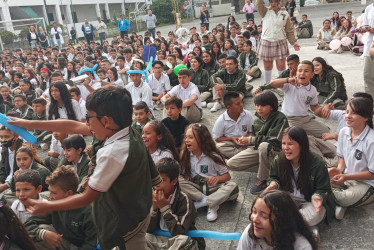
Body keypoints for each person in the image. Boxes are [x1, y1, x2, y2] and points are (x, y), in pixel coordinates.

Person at [21, 86, 162, 249]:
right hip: (140, 207)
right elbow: (72, 126)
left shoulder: (112, 153)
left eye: (89, 116)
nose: (86, 122)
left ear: (106, 120)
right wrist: (29, 123)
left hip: (126, 222)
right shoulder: (127, 129)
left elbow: (86, 198)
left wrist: (47, 205)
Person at [265, 127, 336, 227]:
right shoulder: (279, 159)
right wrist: (273, 184)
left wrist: (318, 197)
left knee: (312, 216)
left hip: (309, 201)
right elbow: (273, 177)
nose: (286, 148)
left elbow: (324, 188)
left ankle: (291, 226)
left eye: (290, 144)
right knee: (265, 209)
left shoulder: (317, 162)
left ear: (302, 145)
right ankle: (302, 228)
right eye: (283, 143)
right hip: (288, 198)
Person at [226, 91, 289, 194]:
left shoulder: (280, 118)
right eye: (257, 105)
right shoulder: (257, 121)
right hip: (260, 151)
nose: (259, 108)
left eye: (263, 105)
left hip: (277, 152)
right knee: (231, 164)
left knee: (264, 146)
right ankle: (274, 171)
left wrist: (251, 139)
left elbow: (275, 140)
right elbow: (254, 140)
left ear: (272, 107)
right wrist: (245, 141)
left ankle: (264, 179)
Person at [25, 165, 97, 250]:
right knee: (42, 231)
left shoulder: (88, 211)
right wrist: (43, 234)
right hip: (62, 243)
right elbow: (27, 225)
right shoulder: (54, 205)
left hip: (79, 247)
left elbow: (91, 243)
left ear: (69, 193)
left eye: (54, 193)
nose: (50, 196)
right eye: (49, 191)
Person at [179, 123, 239, 222]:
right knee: (176, 179)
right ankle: (211, 201)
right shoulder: (185, 155)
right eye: (186, 137)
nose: (187, 140)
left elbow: (227, 176)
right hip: (196, 189)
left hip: (212, 188)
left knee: (232, 186)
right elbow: (182, 174)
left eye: (191, 137)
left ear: (201, 139)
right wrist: (184, 178)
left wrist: (217, 179)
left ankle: (206, 203)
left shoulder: (213, 156)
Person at [329, 97, 374, 220]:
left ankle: (341, 202)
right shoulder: (344, 132)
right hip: (347, 177)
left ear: (366, 117)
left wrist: (346, 177)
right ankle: (341, 203)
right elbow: (342, 156)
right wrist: (338, 170)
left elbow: (372, 173)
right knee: (318, 180)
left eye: (354, 113)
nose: (348, 116)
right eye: (347, 112)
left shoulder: (371, 141)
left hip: (367, 184)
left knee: (341, 197)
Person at [146, 158, 205, 249]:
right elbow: (148, 230)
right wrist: (154, 209)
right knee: (137, 238)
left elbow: (180, 233)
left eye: (161, 180)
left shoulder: (184, 199)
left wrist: (164, 208)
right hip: (160, 240)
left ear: (174, 181)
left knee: (185, 241)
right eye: (155, 180)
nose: (156, 184)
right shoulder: (152, 196)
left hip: (178, 243)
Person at [237, 190, 317, 250]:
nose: (255, 219)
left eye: (264, 216)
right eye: (254, 212)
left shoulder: (301, 247)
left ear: (281, 220)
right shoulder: (250, 233)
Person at [270, 60, 330, 138]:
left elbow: (314, 107)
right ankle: (301, 136)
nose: (302, 73)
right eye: (300, 71)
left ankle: (303, 134)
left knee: (325, 131)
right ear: (296, 73)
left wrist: (325, 107)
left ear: (312, 74)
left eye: (306, 71)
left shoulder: (313, 90)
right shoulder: (290, 84)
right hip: (290, 119)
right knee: (292, 136)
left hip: (305, 119)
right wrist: (287, 80)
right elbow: (272, 83)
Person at [256, 0, 300, 84]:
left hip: (280, 41)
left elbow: (289, 30)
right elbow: (258, 4)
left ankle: (283, 85)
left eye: (275, 1)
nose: (273, 4)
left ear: (279, 2)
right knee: (268, 66)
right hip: (267, 40)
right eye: (271, 2)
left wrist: (294, 43)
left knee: (281, 66)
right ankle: (267, 85)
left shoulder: (285, 13)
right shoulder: (265, 11)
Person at [212, 91, 254, 159]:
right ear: (229, 108)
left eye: (241, 102)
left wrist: (244, 138)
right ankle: (244, 155)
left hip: (245, 142)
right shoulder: (221, 120)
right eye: (238, 104)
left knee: (258, 143)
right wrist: (231, 138)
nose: (241, 105)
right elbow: (217, 138)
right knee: (218, 147)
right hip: (231, 144)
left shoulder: (248, 115)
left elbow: (252, 132)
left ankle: (238, 156)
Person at [361, 3, 374, 97]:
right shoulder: (369, 8)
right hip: (369, 46)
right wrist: (364, 29)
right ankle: (370, 102)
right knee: (368, 76)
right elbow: (366, 25)